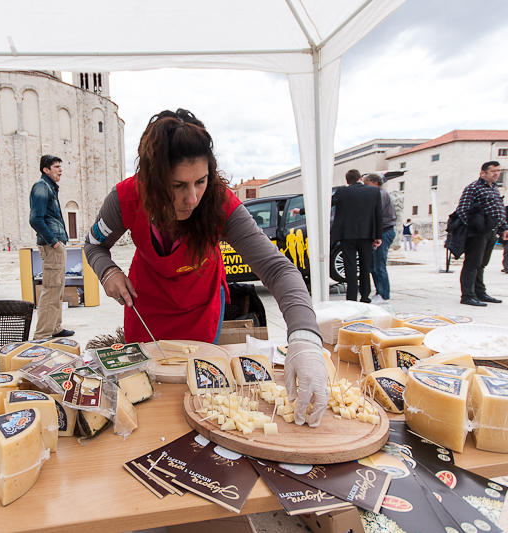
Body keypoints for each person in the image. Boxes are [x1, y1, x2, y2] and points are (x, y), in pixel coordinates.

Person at [84, 109, 329, 426]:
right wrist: (108, 271)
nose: (192, 198)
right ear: (151, 180)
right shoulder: (125, 199)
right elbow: (93, 245)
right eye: (177, 185)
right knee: (146, 404)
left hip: (199, 310)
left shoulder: (219, 202)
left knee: (196, 400)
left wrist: (305, 339)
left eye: (200, 181)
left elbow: (278, 270)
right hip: (146, 309)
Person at [29, 155, 74, 339]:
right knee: (50, 289)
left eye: (60, 166)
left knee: (58, 288)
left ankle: (55, 327)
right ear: (45, 170)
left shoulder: (50, 188)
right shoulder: (41, 187)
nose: (60, 170)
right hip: (52, 246)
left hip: (56, 246)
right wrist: (54, 241)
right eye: (56, 167)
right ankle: (42, 335)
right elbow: (35, 219)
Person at [455, 161, 508, 307]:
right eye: (493, 171)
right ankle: (468, 295)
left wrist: (504, 227)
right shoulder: (473, 188)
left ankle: (480, 292)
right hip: (478, 233)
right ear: (483, 173)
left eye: (498, 171)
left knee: (481, 264)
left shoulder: (494, 188)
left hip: (491, 231)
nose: (497, 173)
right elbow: (462, 210)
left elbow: (499, 210)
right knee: (472, 264)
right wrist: (477, 226)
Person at [330, 170, 383, 302]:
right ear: (360, 178)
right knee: (365, 266)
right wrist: (378, 236)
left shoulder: (342, 192)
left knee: (350, 266)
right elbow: (378, 215)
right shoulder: (374, 191)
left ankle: (351, 297)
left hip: (347, 235)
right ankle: (365, 296)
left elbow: (325, 205)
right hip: (367, 234)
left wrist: (301, 210)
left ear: (347, 180)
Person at [363, 173, 396, 301]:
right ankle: (380, 293)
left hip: (383, 231)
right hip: (381, 231)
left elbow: (376, 213)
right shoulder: (379, 194)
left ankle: (383, 295)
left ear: (375, 183)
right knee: (374, 266)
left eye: (367, 184)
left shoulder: (380, 195)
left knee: (379, 266)